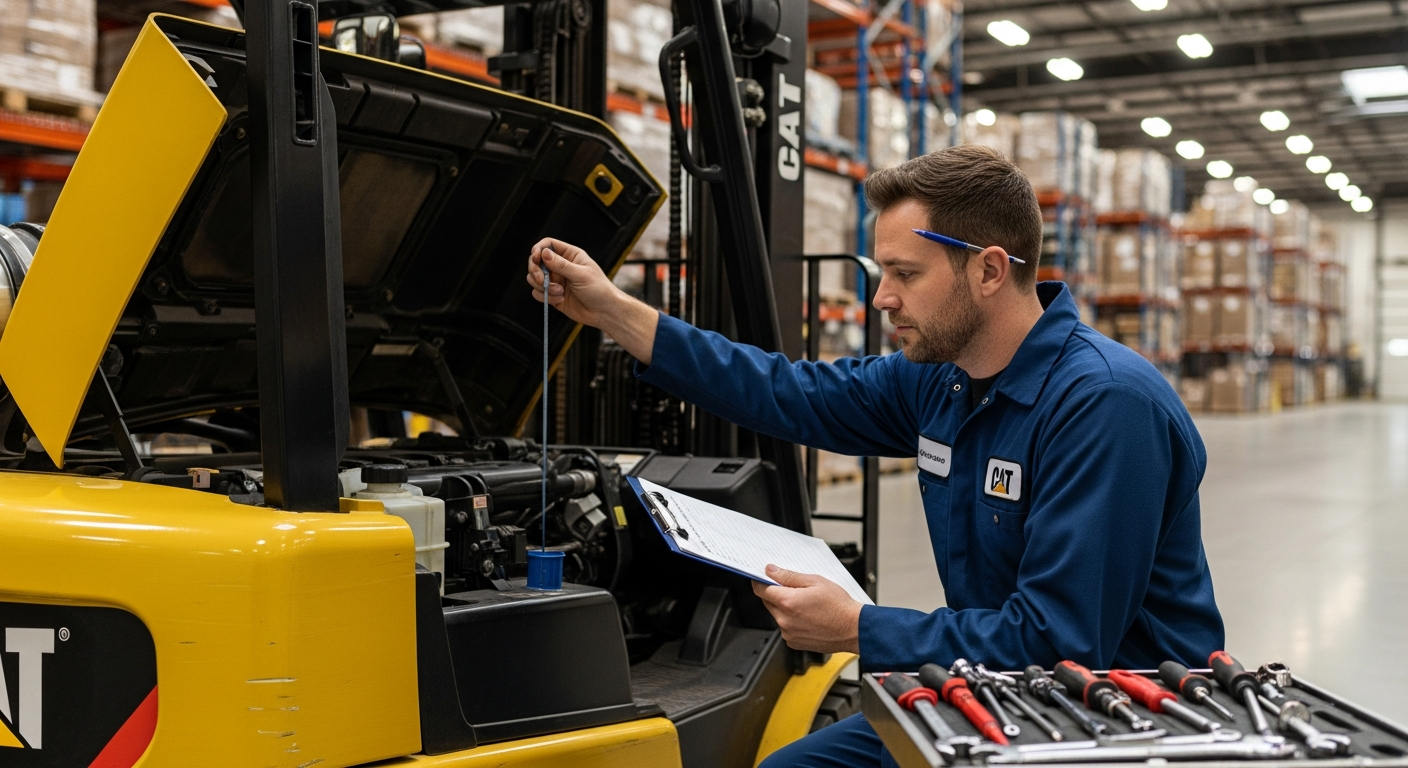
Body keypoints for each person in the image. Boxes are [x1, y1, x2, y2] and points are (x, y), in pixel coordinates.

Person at [526, 144, 1223, 767]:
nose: (883, 296)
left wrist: (859, 628)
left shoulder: (1103, 406)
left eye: (905, 273)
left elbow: (1060, 641)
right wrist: (614, 311)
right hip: (999, 689)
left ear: (987, 270)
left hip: (1121, 720)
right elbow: (787, 392)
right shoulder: (943, 379)